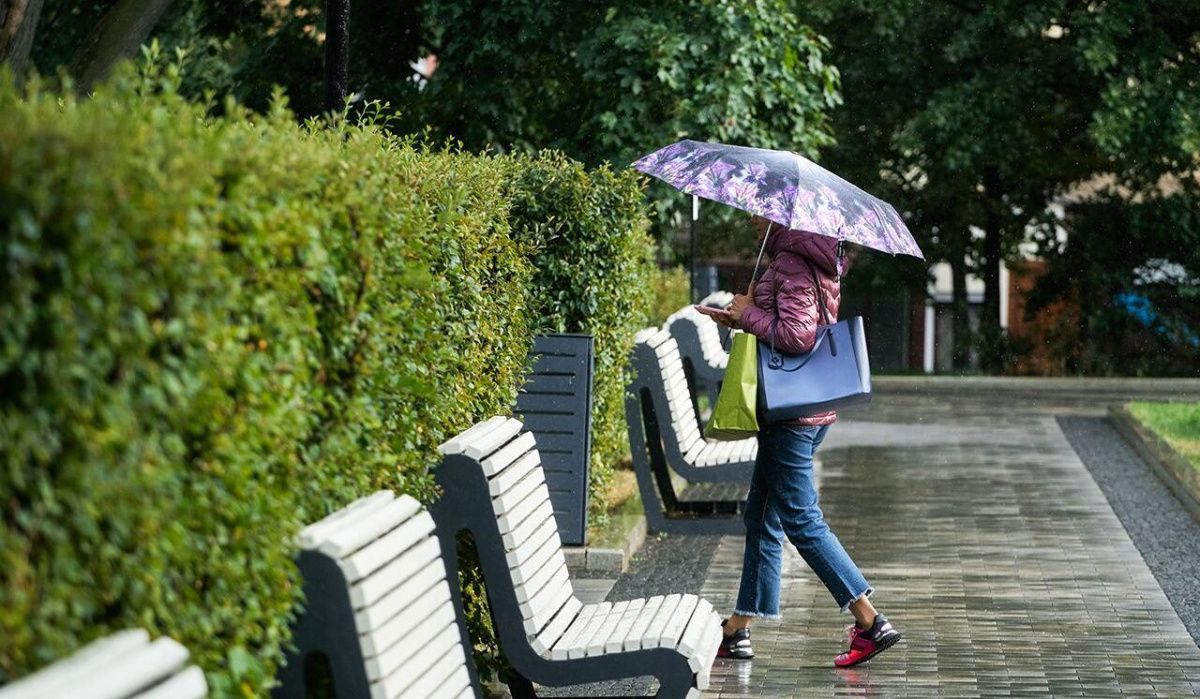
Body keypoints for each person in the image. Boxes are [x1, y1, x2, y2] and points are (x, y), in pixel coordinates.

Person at [704, 215, 902, 668]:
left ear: (779, 215)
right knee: (762, 514)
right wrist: (742, 315)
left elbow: (798, 336)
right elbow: (787, 323)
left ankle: (870, 621)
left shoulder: (793, 262)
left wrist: (746, 315)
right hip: (804, 409)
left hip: (792, 416)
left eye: (757, 213)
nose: (751, 221)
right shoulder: (803, 258)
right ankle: (739, 628)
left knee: (800, 519)